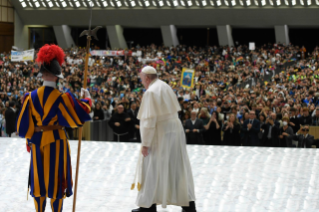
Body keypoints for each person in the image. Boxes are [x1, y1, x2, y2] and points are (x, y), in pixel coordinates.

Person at [16, 44, 92, 212]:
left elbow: (23, 127)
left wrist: (30, 139)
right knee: (57, 180)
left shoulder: (29, 97)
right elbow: (75, 119)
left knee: (38, 179)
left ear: (42, 74)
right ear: (57, 77)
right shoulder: (62, 98)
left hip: (36, 141)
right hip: (57, 141)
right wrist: (87, 101)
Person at [131, 66, 196, 212]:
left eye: (142, 79)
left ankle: (147, 207)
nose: (142, 82)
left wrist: (145, 144)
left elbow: (148, 121)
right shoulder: (165, 86)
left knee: (151, 167)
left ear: (147, 78)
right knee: (178, 166)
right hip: (174, 130)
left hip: (160, 133)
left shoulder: (150, 92)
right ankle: (189, 206)